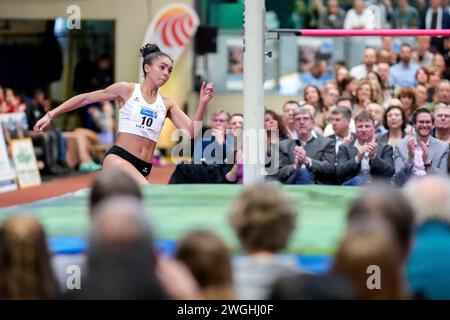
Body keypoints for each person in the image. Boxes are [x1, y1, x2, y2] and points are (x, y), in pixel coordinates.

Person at [34, 43, 214, 184]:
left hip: (143, 166)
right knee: (148, 195)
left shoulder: (167, 103)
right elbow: (85, 99)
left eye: (169, 70)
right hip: (119, 158)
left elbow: (192, 132)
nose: (166, 73)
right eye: (162, 67)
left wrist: (203, 103)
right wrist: (51, 115)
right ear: (147, 68)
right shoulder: (127, 90)